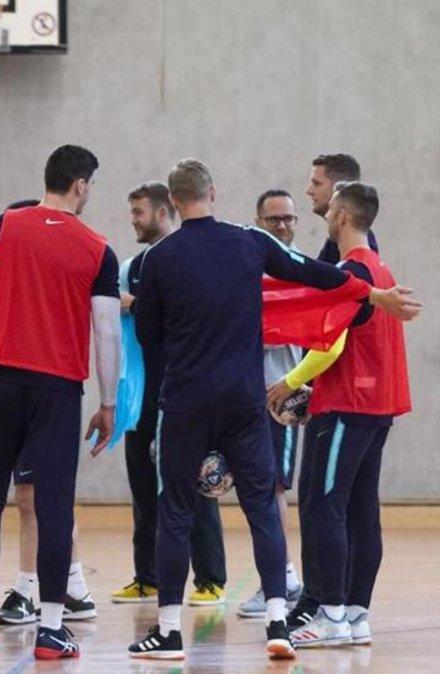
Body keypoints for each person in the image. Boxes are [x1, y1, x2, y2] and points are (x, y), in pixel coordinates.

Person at [126, 159, 417, 661]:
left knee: (175, 510)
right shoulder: (249, 242)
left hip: (187, 401)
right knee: (263, 505)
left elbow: (149, 334)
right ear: (213, 192)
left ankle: (169, 631)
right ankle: (279, 622)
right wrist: (372, 295)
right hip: (244, 399)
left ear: (173, 201)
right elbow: (316, 273)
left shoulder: (159, 258)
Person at [0, 145, 121, 661]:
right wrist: (108, 402)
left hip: (1, 379)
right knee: (52, 508)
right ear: (81, 185)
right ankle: (51, 629)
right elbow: (107, 332)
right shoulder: (98, 248)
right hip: (58, 391)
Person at [266, 182, 411, 648]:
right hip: (377, 406)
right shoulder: (379, 267)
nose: (324, 214)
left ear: (344, 216)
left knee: (324, 504)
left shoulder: (352, 272)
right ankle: (354, 613)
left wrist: (290, 381)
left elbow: (333, 343)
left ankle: (329, 614)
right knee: (361, 510)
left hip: (348, 405)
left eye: (329, 209)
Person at [111, 183, 227, 608]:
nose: (133, 221)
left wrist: (134, 304)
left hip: (186, 393)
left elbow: (185, 313)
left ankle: (211, 579)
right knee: (143, 488)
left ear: (165, 211)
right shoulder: (131, 266)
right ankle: (148, 576)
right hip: (142, 394)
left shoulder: (191, 257)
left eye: (139, 212)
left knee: (194, 487)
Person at [0, 199, 100, 626]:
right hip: (26, 392)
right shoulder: (16, 276)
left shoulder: (62, 263)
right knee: (38, 498)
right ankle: (73, 587)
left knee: (36, 498)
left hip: (45, 394)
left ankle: (33, 587)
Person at [236, 189, 306, 618]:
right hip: (244, 396)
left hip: (282, 396)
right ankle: (282, 576)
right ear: (258, 221)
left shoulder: (301, 271)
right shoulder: (248, 267)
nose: (282, 226)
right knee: (257, 490)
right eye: (273, 219)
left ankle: (281, 580)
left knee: (273, 488)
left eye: (288, 219)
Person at [305, 153, 377, 264]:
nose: (309, 191)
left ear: (338, 189)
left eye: (317, 183)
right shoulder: (336, 240)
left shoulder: (357, 249)